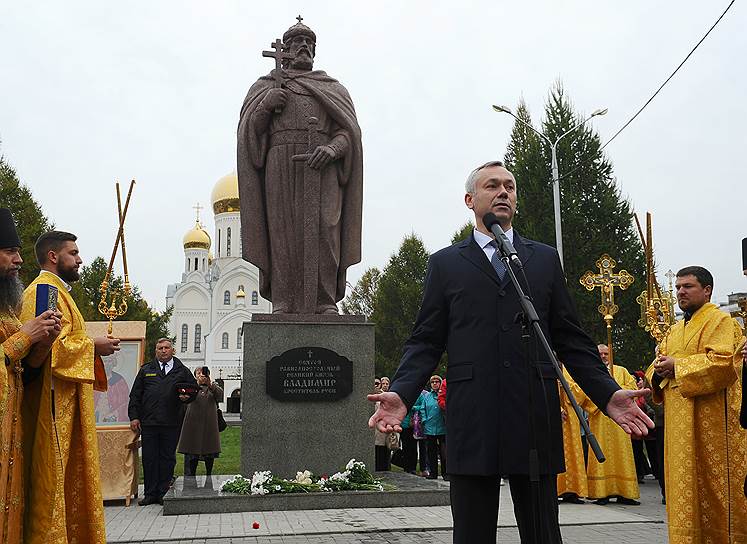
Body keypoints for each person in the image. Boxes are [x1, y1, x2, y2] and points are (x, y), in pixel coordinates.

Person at [368, 160, 653, 544]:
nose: (504, 192)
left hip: (533, 409)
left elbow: (570, 339)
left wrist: (607, 393)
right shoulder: (446, 264)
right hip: (474, 413)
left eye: (510, 186)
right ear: (470, 199)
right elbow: (425, 340)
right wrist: (402, 393)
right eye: (492, 186)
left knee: (542, 532)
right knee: (472, 531)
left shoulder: (543, 259)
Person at [237, 17, 363, 314]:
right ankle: (283, 300)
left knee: (324, 231)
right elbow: (249, 134)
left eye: (309, 43)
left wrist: (333, 149)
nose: (304, 47)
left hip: (323, 167)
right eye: (297, 42)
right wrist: (266, 106)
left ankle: (323, 301)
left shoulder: (332, 88)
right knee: (282, 232)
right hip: (280, 166)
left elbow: (349, 133)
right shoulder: (266, 86)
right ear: (285, 49)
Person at [20, 230, 120, 544]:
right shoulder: (44, 292)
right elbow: (50, 349)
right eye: (73, 253)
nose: (79, 260)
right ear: (53, 256)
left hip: (66, 405)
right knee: (53, 484)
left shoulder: (59, 292)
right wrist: (93, 346)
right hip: (52, 409)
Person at [648, 266, 746, 542]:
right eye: (678, 287)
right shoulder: (675, 329)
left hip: (711, 425)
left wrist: (677, 366)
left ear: (707, 290)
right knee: (681, 488)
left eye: (688, 286)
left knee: (712, 488)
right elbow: (658, 364)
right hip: (678, 427)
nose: (680, 291)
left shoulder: (721, 322)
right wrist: (658, 370)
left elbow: (725, 363)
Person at [0, 209, 62, 543]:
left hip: (12, 435)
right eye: (10, 252)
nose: (19, 260)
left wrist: (41, 344)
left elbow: (20, 373)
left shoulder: (8, 307)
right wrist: (26, 336)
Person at [128, 338, 197, 505]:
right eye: (160, 348)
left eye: (167, 348)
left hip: (171, 422)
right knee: (150, 458)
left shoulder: (182, 370)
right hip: (150, 423)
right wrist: (134, 417)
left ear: (172, 350)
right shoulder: (146, 370)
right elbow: (135, 395)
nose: (164, 350)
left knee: (167, 458)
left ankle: (163, 492)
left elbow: (193, 389)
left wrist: (187, 397)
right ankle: (151, 493)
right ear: (156, 351)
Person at [585, 345, 640, 505]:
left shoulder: (621, 371)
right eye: (600, 354)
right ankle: (602, 493)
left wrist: (617, 391)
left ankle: (626, 493)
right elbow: (583, 392)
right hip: (600, 418)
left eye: (606, 353)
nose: (603, 356)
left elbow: (632, 388)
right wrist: (605, 397)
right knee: (601, 452)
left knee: (622, 453)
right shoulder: (592, 372)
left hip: (621, 423)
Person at [178, 366, 223, 477]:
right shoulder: (191, 387)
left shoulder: (213, 387)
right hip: (192, 424)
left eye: (203, 373)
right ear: (195, 376)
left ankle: (209, 474)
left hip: (209, 425)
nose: (201, 375)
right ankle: (190, 476)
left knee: (210, 451)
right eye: (198, 373)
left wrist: (209, 384)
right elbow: (183, 398)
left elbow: (220, 395)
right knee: (191, 452)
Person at [556, 366, 588, 504]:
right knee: (556, 452)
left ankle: (573, 491)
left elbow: (581, 391)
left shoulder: (571, 369)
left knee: (573, 453)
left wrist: (566, 384)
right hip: (552, 416)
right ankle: (555, 490)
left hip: (571, 418)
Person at [413, 375, 447, 480]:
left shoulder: (444, 395)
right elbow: (422, 409)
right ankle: (433, 473)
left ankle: (446, 473)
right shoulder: (427, 396)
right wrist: (424, 420)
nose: (435, 384)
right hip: (429, 427)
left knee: (444, 452)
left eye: (437, 382)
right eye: (433, 382)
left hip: (443, 427)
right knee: (431, 452)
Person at [93, 351, 130, 423]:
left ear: (113, 363)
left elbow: (125, 402)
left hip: (112, 419)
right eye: (104, 361)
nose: (106, 364)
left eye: (109, 361)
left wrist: (115, 413)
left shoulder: (119, 380)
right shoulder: (93, 379)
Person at [374, 376, 393, 470]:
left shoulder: (387, 396)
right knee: (377, 450)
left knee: (385, 449)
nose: (376, 386)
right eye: (375, 384)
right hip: (374, 428)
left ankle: (385, 468)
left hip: (385, 427)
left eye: (378, 384)